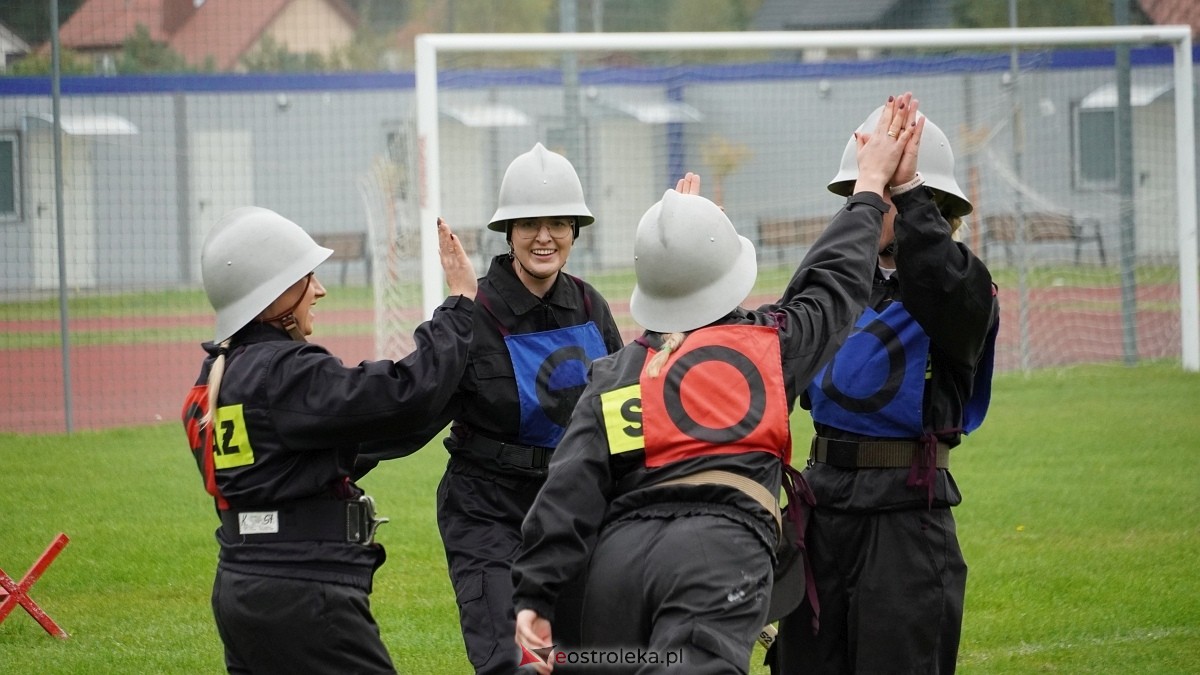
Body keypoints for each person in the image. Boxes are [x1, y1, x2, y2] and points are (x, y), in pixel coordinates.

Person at [511, 93, 920, 675]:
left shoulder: (618, 375)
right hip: (715, 557)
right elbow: (831, 284)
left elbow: (567, 492)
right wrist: (870, 188)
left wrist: (532, 595)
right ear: (732, 276)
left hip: (617, 568)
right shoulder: (770, 351)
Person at [180, 206, 477, 674]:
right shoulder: (283, 372)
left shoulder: (220, 374)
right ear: (274, 295)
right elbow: (401, 394)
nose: (318, 290)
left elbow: (321, 450)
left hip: (243, 584)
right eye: (306, 279)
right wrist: (460, 304)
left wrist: (454, 398)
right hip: (301, 591)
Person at [772, 103, 1000, 674]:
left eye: (887, 197)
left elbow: (942, 285)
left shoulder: (966, 289)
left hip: (906, 515)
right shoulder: (840, 286)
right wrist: (871, 191)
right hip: (821, 509)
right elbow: (791, 321)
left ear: (932, 204)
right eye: (863, 194)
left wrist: (909, 189)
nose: (871, 207)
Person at [433, 143, 624, 674]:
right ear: (508, 233)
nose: (544, 237)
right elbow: (417, 403)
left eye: (558, 223)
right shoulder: (472, 311)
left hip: (572, 506)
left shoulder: (590, 306)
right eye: (529, 224)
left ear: (575, 231)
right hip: (486, 510)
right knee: (513, 661)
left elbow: (621, 413)